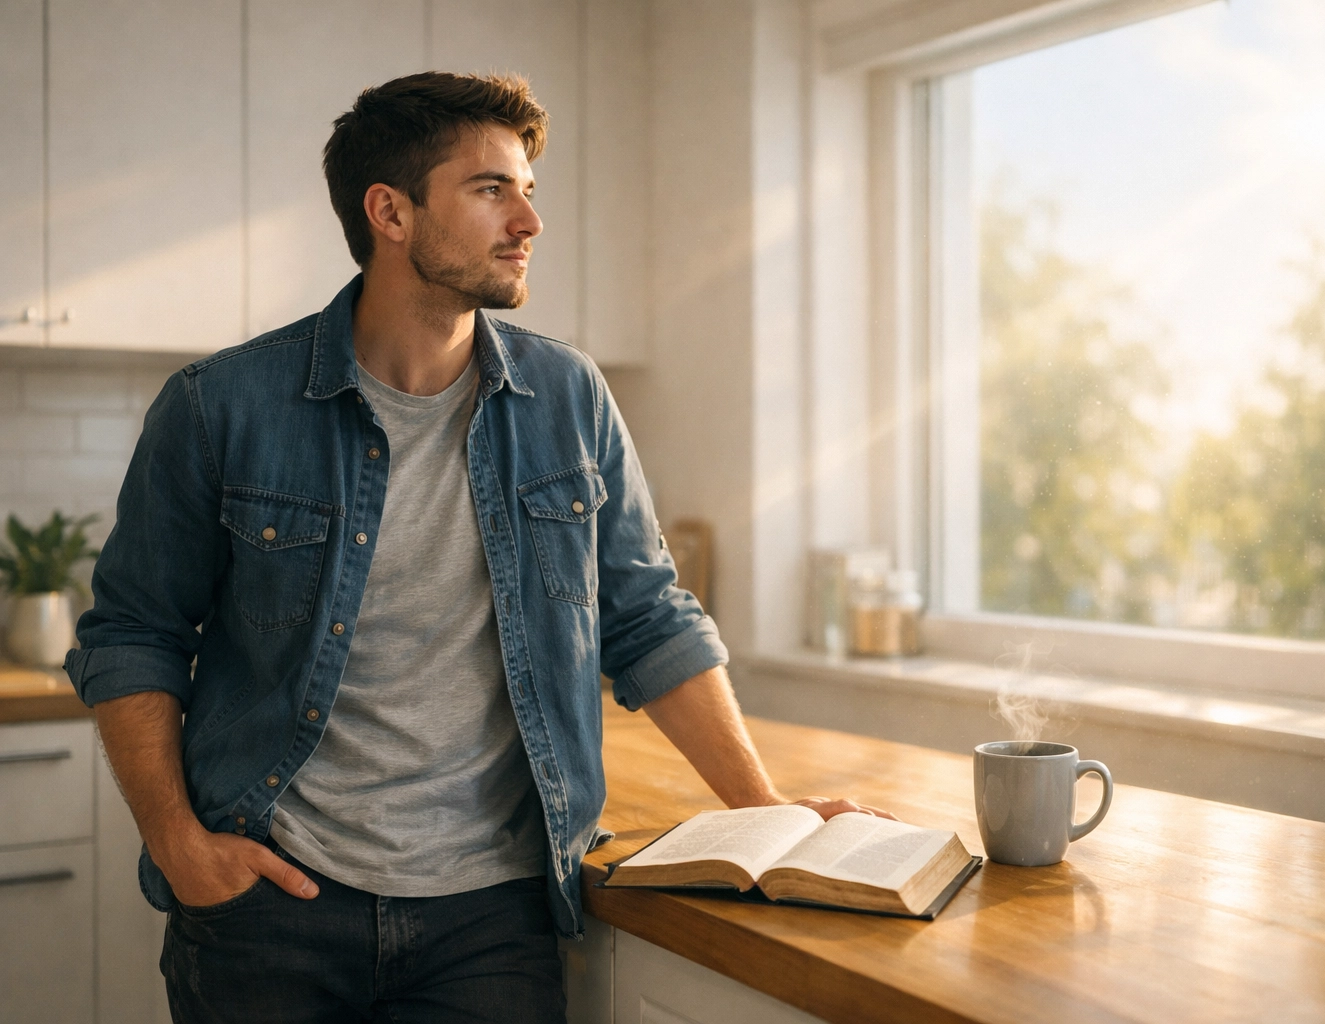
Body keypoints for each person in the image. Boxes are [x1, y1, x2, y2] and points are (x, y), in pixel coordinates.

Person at [67, 71, 887, 1024]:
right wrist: (175, 840)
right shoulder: (223, 407)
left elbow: (646, 615)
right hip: (272, 909)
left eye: (529, 190)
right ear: (392, 212)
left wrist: (766, 808)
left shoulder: (569, 398)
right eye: (493, 188)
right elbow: (134, 634)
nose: (529, 221)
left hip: (491, 919)